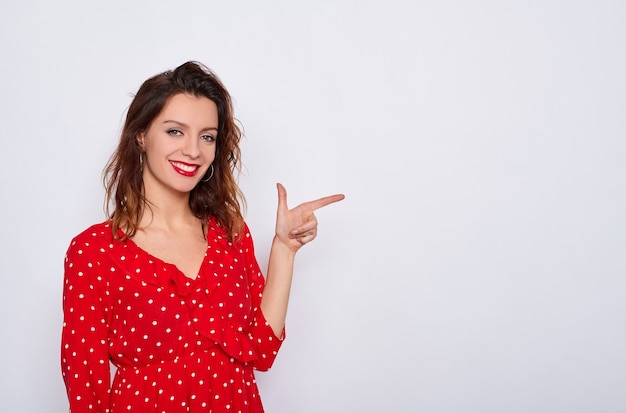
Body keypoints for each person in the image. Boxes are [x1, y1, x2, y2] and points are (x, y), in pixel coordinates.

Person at [61, 61, 344, 413]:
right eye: (175, 131)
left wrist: (284, 249)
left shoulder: (230, 232)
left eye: (207, 136)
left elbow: (261, 350)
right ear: (141, 135)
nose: (193, 150)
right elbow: (86, 384)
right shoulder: (94, 252)